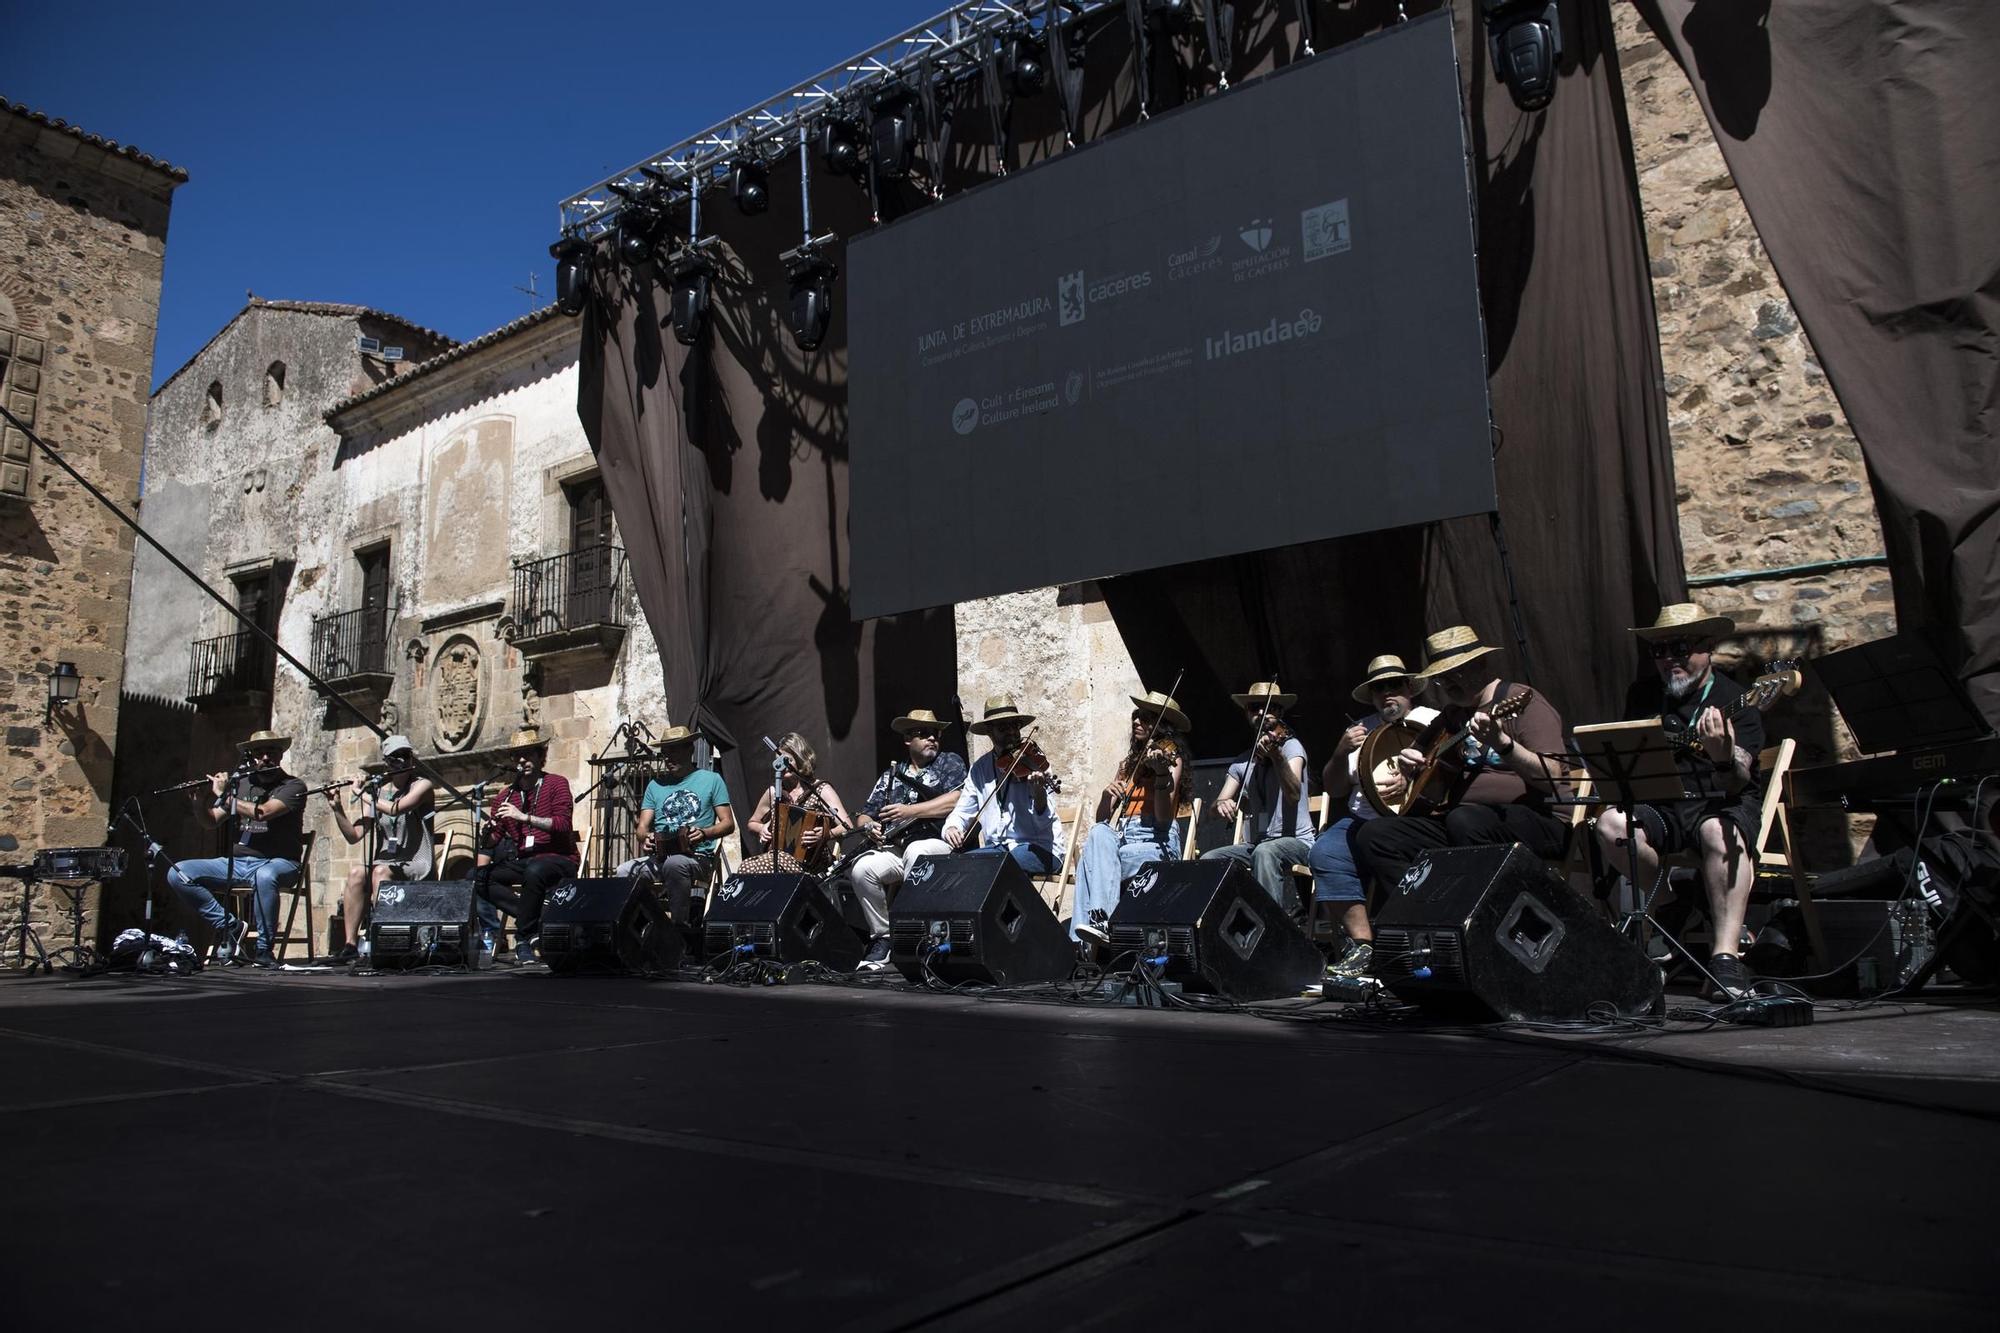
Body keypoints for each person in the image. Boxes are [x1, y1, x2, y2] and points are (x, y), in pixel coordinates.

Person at [1591, 603, 1766, 1000]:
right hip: (1666, 806)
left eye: (1681, 648)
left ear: (1708, 648)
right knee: (1611, 825)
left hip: (1722, 804)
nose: (1671, 658)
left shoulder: (1737, 699)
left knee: (1717, 830)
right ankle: (1673, 908)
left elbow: (1739, 779)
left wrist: (1723, 753)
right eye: (1660, 650)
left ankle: (1725, 957)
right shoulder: (1644, 695)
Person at [1351, 626, 1572, 899]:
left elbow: (1552, 777)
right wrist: (1409, 768)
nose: (1450, 684)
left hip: (1539, 820)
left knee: (1465, 820)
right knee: (1376, 835)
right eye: (1442, 678)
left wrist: (1503, 744)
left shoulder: (1522, 700)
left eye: (1456, 673)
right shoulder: (1452, 715)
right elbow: (1414, 753)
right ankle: (1430, 916)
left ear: (1480, 665)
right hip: (1464, 824)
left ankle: (1485, 920)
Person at [1310, 656, 1439, 980]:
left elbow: (1451, 770)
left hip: (1416, 817)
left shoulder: (1433, 720)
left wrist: (1414, 780)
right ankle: (1363, 946)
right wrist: (1340, 751)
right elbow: (1333, 787)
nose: (1387, 694)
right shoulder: (1360, 729)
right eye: (1378, 688)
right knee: (1324, 852)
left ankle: (1419, 942)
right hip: (1362, 819)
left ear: (1409, 687)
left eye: (1394, 685)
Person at [165, 729, 307, 969]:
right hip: (239, 863)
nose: (265, 758)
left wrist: (225, 797)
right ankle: (229, 925)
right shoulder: (240, 784)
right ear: (251, 757)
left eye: (271, 751)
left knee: (265, 876)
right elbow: (211, 821)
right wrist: (199, 803)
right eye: (259, 752)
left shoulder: (293, 786)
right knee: (178, 872)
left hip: (279, 863)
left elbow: (264, 813)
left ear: (280, 755)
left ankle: (263, 950)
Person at [848, 709, 969, 971]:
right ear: (907, 740)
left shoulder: (950, 762)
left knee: (917, 851)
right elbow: (865, 814)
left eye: (935, 734)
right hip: (897, 847)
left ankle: (919, 935)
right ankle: (883, 938)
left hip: (939, 842)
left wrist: (910, 811)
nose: (932, 739)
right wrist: (869, 827)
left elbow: (958, 799)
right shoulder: (891, 774)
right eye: (923, 734)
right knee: (862, 869)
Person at [1071, 691, 1191, 946]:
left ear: (1163, 726)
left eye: (1146, 718)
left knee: (1090, 865)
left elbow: (1163, 818)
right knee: (1098, 834)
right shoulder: (1127, 765)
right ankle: (1098, 925)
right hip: (1124, 837)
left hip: (1156, 839)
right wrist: (1106, 797)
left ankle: (1086, 938)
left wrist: (1161, 777)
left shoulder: (1172, 759)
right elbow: (1103, 819)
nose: (1137, 721)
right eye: (1136, 716)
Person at [922, 696, 1067, 878]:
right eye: (1003, 728)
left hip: (1039, 849)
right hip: (997, 851)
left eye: (1015, 725)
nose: (1012, 732)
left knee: (999, 863)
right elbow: (962, 811)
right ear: (990, 732)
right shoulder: (980, 769)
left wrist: (1039, 794)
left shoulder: (1035, 763)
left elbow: (1045, 821)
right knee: (962, 866)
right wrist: (952, 827)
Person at [1203, 682, 1315, 913]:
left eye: (1270, 708)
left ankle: (1272, 931)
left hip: (1297, 842)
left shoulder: (1291, 747)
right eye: (1255, 707)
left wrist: (1277, 757)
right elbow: (1214, 808)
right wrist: (1222, 804)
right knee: (1208, 859)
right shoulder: (1243, 760)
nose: (1262, 713)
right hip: (1258, 844)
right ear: (1247, 713)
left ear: (1280, 713)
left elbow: (1293, 795)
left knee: (1266, 852)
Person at [325, 733, 435, 964]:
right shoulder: (379, 791)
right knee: (357, 873)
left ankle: (385, 939)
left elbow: (396, 809)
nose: (402, 761)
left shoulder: (422, 785)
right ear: (386, 762)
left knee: (380, 872)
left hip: (415, 861)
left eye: (406, 755)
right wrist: (337, 808)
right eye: (395, 757)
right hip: (386, 862)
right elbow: (355, 836)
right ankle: (350, 944)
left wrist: (361, 794)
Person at [475, 726, 578, 965]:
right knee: (478, 876)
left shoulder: (556, 783)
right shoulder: (505, 796)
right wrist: (487, 832)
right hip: (525, 860)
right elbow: (494, 840)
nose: (523, 760)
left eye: (529, 754)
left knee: (536, 870)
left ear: (541, 756)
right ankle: (540, 917)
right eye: (517, 756)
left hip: (559, 858)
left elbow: (563, 824)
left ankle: (524, 937)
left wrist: (524, 817)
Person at [626, 724, 734, 929]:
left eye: (674, 750)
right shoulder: (655, 785)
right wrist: (646, 837)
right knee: (625, 871)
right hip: (659, 857)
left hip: (698, 858)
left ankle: (679, 930)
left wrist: (704, 833)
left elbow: (728, 824)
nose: (668, 757)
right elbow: (641, 828)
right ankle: (645, 927)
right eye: (665, 752)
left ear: (690, 749)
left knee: (675, 864)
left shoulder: (712, 780)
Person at [743, 732, 852, 874]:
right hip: (776, 858)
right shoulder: (774, 792)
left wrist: (825, 834)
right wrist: (762, 828)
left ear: (801, 759)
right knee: (747, 867)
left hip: (812, 861)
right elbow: (752, 823)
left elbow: (847, 826)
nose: (783, 765)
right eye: (779, 761)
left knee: (754, 868)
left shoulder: (820, 789)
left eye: (787, 760)